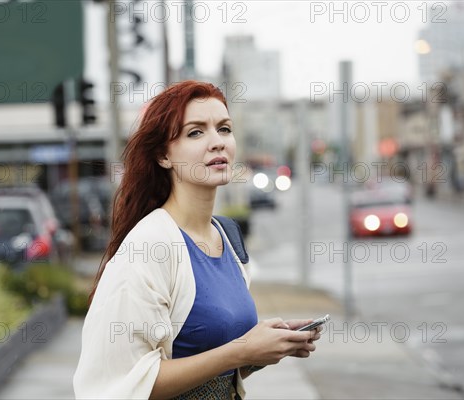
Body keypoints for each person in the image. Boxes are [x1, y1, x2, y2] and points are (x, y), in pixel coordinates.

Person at [73, 81, 322, 399]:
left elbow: (210, 363)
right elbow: (125, 384)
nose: (217, 142)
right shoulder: (149, 247)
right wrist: (242, 350)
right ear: (164, 155)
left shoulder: (226, 237)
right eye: (195, 132)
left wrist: (268, 347)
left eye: (224, 129)